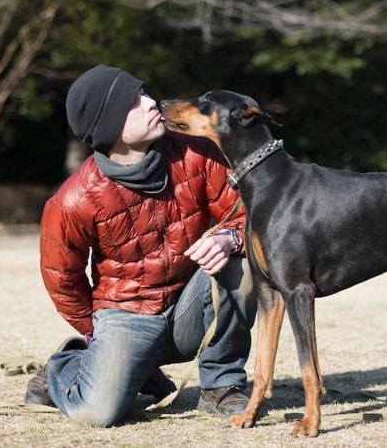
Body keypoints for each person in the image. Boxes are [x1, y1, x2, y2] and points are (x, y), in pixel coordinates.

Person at [25, 64, 255, 427]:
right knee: (97, 414)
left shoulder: (198, 152)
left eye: (144, 93)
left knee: (243, 265)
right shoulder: (72, 200)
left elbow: (247, 212)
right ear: (107, 126)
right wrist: (100, 336)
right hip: (125, 318)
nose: (151, 103)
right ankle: (70, 363)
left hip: (189, 306)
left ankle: (222, 387)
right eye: (133, 103)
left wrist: (230, 237)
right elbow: (63, 281)